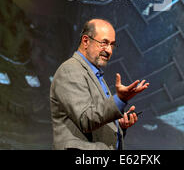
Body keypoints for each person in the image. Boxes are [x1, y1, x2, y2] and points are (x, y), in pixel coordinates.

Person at [50, 18, 149, 150]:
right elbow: (85, 119)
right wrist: (120, 99)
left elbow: (97, 119)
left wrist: (119, 126)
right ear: (86, 41)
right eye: (104, 43)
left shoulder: (95, 74)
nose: (109, 51)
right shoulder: (70, 70)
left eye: (112, 45)